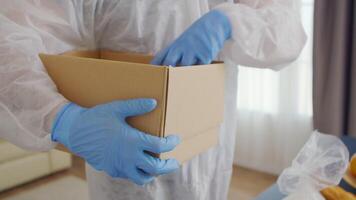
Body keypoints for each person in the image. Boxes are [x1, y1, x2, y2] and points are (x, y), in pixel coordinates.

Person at [0, 0, 306, 199]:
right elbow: (8, 38)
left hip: (211, 153)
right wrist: (66, 120)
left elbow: (286, 27)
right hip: (123, 156)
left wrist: (229, 21)